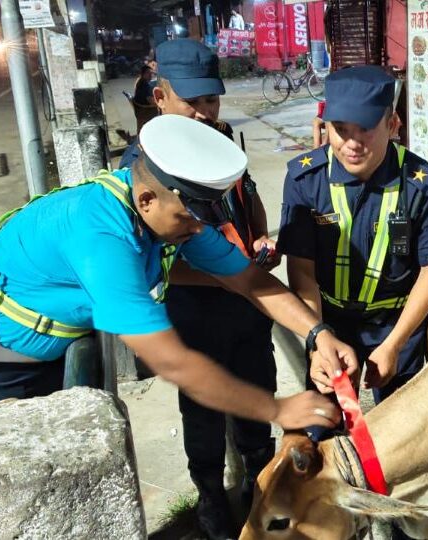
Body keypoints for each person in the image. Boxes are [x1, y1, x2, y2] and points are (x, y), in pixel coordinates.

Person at [0, 115, 358, 458]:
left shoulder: (170, 216)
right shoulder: (102, 238)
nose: (198, 229)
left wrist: (318, 334)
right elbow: (172, 362)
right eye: (189, 217)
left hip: (45, 357)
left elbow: (249, 280)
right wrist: (277, 409)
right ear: (149, 200)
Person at [120, 38, 279, 539]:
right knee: (204, 408)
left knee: (258, 390)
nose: (205, 113)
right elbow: (160, 262)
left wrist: (262, 237)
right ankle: (210, 497)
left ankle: (258, 483)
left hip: (244, 300)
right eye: (193, 102)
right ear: (160, 97)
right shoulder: (143, 164)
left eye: (211, 100)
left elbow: (247, 200)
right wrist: (228, 274)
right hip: (196, 307)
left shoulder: (227, 137)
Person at [279, 66, 428, 402]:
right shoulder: (305, 180)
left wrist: (394, 344)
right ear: (325, 126)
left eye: (365, 129)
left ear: (392, 125)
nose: (351, 144)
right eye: (340, 129)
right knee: (323, 426)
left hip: (397, 325)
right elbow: (301, 269)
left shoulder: (424, 186)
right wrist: (316, 340)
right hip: (327, 321)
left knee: (399, 435)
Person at [131, 63, 158, 133]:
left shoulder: (139, 82)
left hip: (139, 110)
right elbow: (151, 101)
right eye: (148, 73)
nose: (151, 75)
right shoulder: (146, 86)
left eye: (151, 73)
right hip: (146, 111)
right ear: (143, 74)